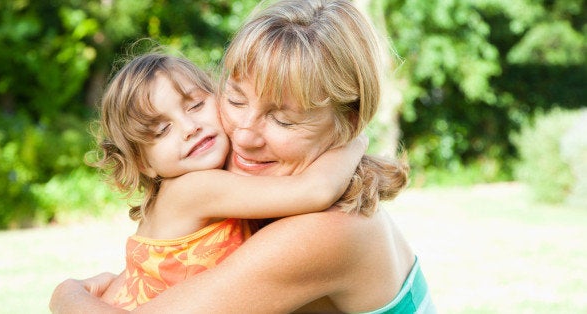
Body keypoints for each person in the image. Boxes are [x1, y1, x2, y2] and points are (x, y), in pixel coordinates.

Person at [50, 0, 436, 313]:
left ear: (347, 122)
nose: (244, 135)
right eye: (235, 99)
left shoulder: (329, 231)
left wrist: (67, 296)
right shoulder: (244, 204)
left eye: (283, 119)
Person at [84, 51, 366, 310]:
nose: (189, 127)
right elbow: (315, 191)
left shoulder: (198, 189)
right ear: (144, 163)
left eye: (195, 105)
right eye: (162, 130)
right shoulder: (194, 189)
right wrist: (356, 139)